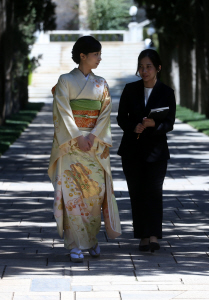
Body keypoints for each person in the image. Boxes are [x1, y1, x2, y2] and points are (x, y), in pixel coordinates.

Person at [47, 36, 121, 263]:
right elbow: (62, 111)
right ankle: (75, 244)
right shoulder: (65, 80)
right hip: (71, 147)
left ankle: (92, 239)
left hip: (94, 146)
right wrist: (78, 137)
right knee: (73, 196)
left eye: (99, 54)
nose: (99, 58)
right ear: (83, 56)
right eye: (96, 54)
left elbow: (106, 112)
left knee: (93, 195)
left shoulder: (102, 84)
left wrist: (91, 136)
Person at [117, 49, 176, 253]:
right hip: (131, 151)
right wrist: (133, 126)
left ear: (158, 68)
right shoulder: (130, 89)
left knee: (153, 192)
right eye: (141, 67)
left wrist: (153, 125)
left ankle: (153, 235)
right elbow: (121, 118)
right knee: (137, 193)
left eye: (148, 66)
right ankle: (142, 235)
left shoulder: (166, 92)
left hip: (156, 152)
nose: (144, 70)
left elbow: (169, 123)